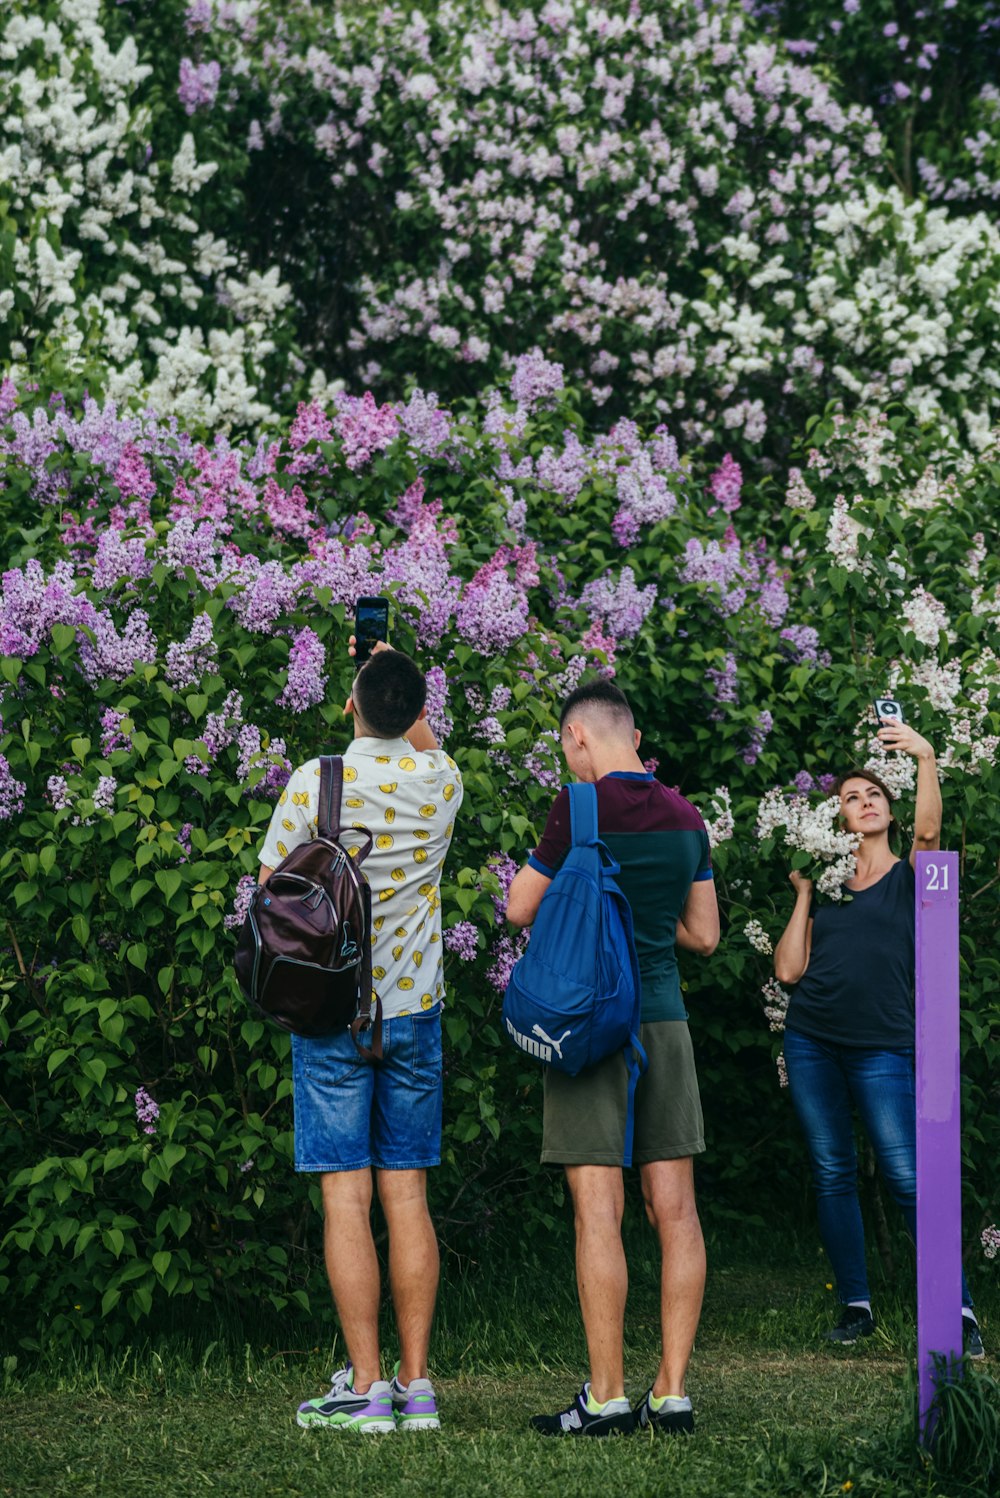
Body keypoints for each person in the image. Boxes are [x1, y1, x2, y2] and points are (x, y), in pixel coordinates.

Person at [258, 639, 465, 1432]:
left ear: (351, 705)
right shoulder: (441, 779)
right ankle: (418, 1389)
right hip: (413, 1012)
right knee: (406, 1195)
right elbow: (424, 738)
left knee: (345, 1197)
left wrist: (371, 681)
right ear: (417, 712)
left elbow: (275, 882)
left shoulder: (319, 781)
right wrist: (396, 675)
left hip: (330, 1009)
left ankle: (368, 1388)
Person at [506, 679, 720, 1437]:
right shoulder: (688, 816)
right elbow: (705, 936)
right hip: (665, 1023)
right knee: (677, 1211)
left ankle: (605, 1397)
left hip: (592, 1027)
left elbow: (519, 908)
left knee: (600, 1210)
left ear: (580, 738)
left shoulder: (579, 807)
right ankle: (672, 1392)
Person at [773, 720, 983, 1358]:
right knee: (833, 1173)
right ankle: (855, 1306)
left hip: (883, 1045)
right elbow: (787, 971)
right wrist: (806, 894)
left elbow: (931, 832)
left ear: (889, 813)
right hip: (811, 1040)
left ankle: (959, 1308)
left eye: (873, 796)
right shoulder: (829, 884)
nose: (862, 802)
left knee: (906, 1175)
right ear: (838, 817)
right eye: (849, 798)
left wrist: (923, 755)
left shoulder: (911, 877)